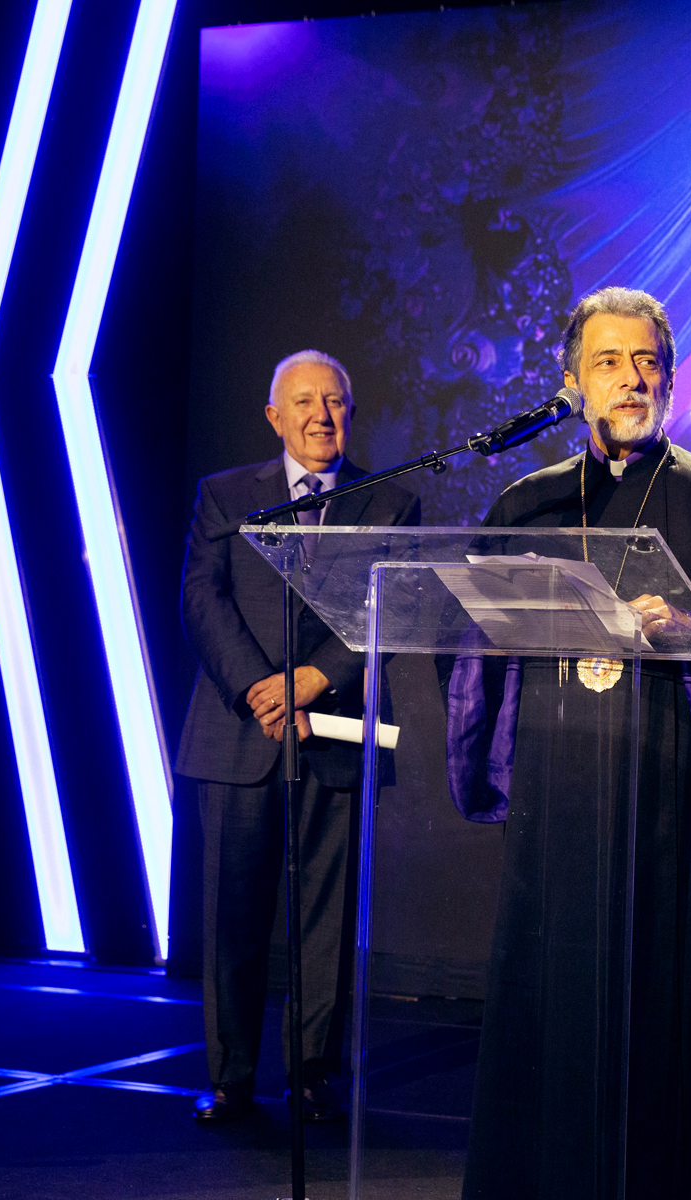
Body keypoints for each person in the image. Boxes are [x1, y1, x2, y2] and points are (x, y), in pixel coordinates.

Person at [448, 287, 691, 1199]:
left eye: (649, 361)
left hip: (669, 805)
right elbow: (473, 650)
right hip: (559, 796)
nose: (633, 379)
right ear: (572, 382)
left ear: (672, 374)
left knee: (670, 1009)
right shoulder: (527, 504)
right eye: (610, 362)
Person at [177, 350, 421, 1123]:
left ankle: (313, 1074)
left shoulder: (387, 503)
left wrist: (314, 680)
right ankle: (231, 1078)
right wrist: (259, 687)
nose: (323, 415)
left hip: (335, 732)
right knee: (232, 917)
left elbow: (391, 610)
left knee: (325, 921)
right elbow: (202, 601)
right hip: (237, 732)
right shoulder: (225, 496)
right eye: (306, 402)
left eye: (337, 402)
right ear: (275, 416)